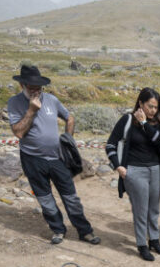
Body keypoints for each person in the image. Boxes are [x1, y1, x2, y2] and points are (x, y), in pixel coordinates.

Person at [7, 65, 99, 245]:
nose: (35, 91)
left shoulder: (51, 100)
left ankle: (85, 231)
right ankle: (57, 229)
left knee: (71, 197)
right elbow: (18, 132)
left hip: (57, 158)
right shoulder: (14, 103)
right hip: (32, 159)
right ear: (22, 86)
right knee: (45, 198)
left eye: (38, 88)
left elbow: (69, 118)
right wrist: (31, 111)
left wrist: (68, 141)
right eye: (31, 88)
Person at [106, 87, 160, 261]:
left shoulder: (158, 123)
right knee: (141, 209)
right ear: (140, 103)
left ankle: (154, 240)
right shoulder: (127, 120)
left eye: (156, 107)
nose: (153, 110)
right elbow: (110, 145)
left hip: (156, 170)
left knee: (154, 209)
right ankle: (142, 244)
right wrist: (118, 167)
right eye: (150, 106)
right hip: (135, 171)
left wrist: (144, 124)